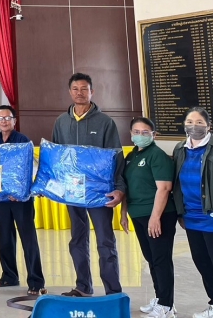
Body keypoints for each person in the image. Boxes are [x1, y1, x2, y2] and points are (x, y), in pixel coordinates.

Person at [52, 73, 124, 297]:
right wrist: (52, 185)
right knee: (77, 239)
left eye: (84, 89)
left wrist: (120, 188)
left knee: (105, 240)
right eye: (75, 89)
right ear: (69, 92)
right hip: (72, 191)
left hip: (99, 192)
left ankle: (113, 292)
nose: (80, 93)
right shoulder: (61, 122)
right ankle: (83, 287)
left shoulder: (105, 122)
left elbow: (117, 157)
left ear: (92, 92)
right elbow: (56, 156)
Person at [171, 107, 213, 318]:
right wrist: (180, 213)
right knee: (203, 263)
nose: (194, 126)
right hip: (191, 218)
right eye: (190, 122)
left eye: (199, 122)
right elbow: (176, 184)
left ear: (208, 126)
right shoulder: (180, 149)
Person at [0, 105, 46, 296]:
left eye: (7, 118)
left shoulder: (23, 141)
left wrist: (18, 192)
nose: (4, 121)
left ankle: (36, 281)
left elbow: (26, 169)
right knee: (4, 237)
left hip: (21, 199)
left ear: (14, 121)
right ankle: (9, 275)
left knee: (28, 239)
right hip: (2, 198)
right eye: (0, 118)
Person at [119, 117, 177, 318]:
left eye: (145, 132)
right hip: (138, 214)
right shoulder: (131, 156)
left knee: (161, 259)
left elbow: (164, 188)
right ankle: (160, 298)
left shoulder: (157, 156)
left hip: (159, 215)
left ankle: (167, 305)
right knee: (151, 259)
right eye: (136, 132)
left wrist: (155, 217)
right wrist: (124, 213)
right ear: (131, 134)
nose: (140, 135)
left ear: (154, 135)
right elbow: (126, 186)